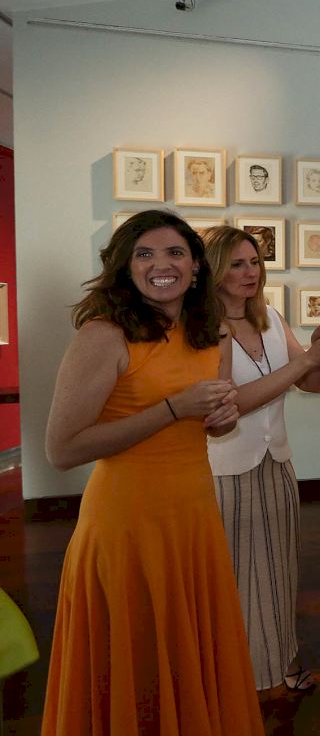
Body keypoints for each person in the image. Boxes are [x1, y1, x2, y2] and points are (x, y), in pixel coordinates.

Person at [41, 210, 263, 734]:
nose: (162, 265)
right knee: (135, 657)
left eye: (175, 253)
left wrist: (222, 418)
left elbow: (213, 425)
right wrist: (173, 409)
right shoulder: (104, 335)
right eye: (145, 254)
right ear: (125, 266)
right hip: (126, 524)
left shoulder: (212, 333)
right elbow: (62, 450)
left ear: (196, 266)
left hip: (194, 519)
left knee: (187, 655)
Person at [203, 226, 320, 694]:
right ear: (214, 270)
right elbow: (227, 405)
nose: (250, 272)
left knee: (280, 570)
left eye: (255, 262)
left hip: (276, 461)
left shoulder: (269, 316)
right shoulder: (204, 328)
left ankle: (281, 657)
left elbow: (309, 383)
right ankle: (232, 672)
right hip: (223, 469)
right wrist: (306, 359)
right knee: (232, 576)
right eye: (237, 264)